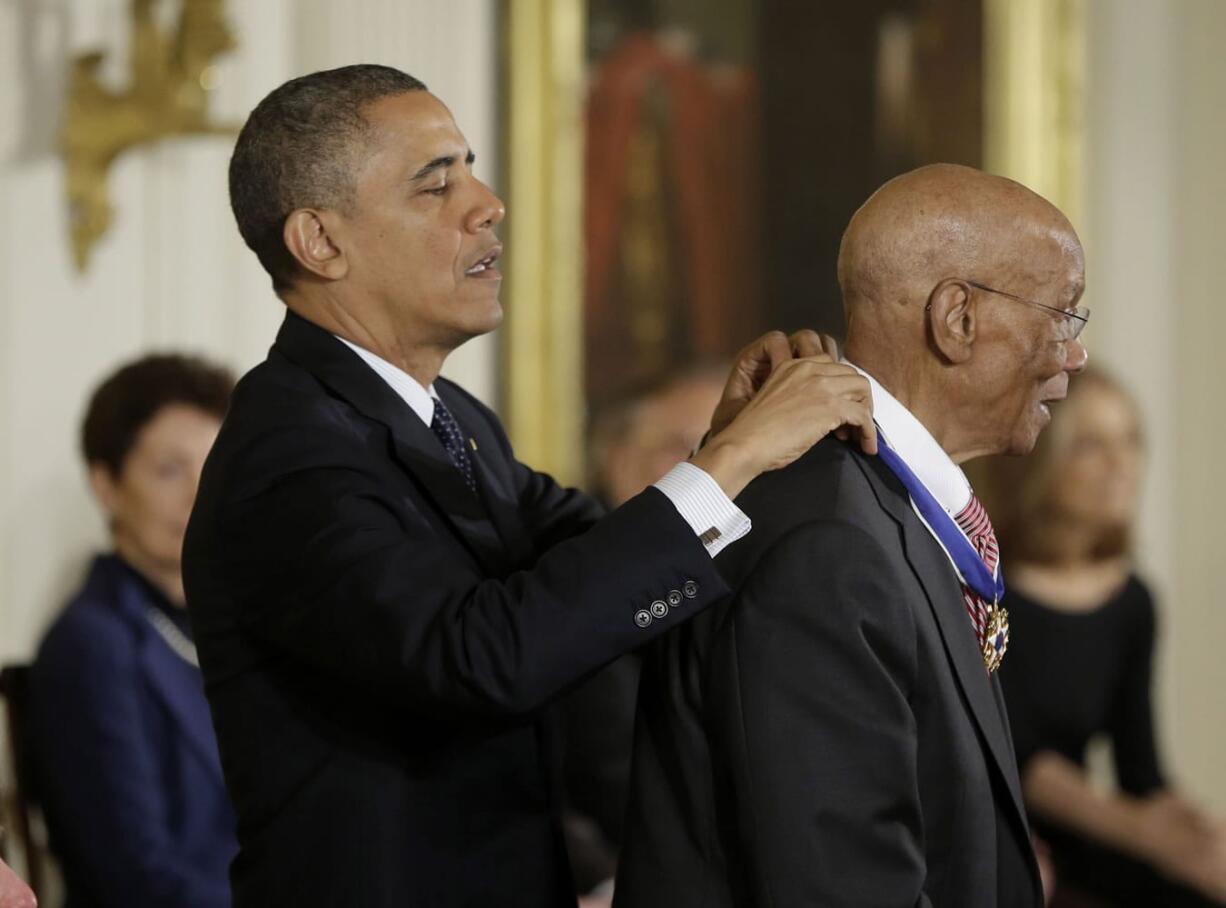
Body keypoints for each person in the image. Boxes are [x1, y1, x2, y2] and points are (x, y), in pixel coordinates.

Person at [182, 64, 876, 908]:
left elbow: (588, 565)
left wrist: (727, 442)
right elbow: (482, 657)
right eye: (436, 186)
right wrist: (724, 465)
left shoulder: (452, 417)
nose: (487, 204)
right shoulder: (288, 453)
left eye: (470, 169)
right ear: (321, 242)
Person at [615, 163, 1089, 907]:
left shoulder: (879, 506)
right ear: (956, 319)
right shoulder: (828, 547)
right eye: (1064, 315)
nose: (1074, 354)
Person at [982, 368, 1226, 907]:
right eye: (1093, 445)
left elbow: (1142, 773)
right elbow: (1027, 764)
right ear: (1045, 460)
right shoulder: (988, 590)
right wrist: (1150, 836)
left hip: (1090, 838)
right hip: (1003, 834)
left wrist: (1198, 835)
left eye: (1131, 440)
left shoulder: (1133, 601)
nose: (1123, 466)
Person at [29, 354, 237, 908]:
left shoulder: (225, 628)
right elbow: (135, 878)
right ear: (107, 486)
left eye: (213, 469)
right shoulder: (92, 643)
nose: (200, 495)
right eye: (170, 470)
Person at [563, 366, 727, 904]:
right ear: (614, 455)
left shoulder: (749, 569)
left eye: (720, 446)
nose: (710, 470)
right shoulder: (572, 571)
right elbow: (614, 773)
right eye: (684, 447)